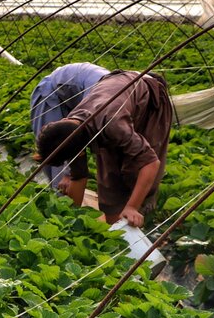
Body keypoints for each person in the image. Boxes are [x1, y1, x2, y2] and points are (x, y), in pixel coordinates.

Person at [36, 70, 173, 228]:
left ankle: (138, 224)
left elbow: (151, 163)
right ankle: (115, 228)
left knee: (134, 173)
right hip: (114, 100)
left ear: (80, 151)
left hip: (148, 100)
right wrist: (69, 220)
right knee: (109, 178)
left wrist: (131, 207)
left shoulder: (112, 124)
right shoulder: (72, 125)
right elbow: (78, 174)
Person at [30, 62, 110, 193]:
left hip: (75, 98)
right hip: (51, 94)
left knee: (73, 153)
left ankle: (67, 202)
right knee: (56, 155)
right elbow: (74, 141)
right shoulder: (98, 102)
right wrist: (68, 174)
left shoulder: (116, 102)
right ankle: (61, 202)